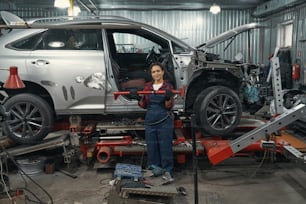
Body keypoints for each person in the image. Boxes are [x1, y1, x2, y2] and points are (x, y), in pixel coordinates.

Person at [130, 62, 174, 183]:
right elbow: (144, 105)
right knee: (152, 149)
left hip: (164, 121)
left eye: (158, 71)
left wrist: (168, 98)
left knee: (165, 149)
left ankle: (167, 174)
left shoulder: (167, 87)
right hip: (150, 121)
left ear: (163, 72)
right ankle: (154, 172)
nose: (156, 73)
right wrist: (138, 98)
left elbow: (169, 106)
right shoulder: (147, 87)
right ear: (151, 74)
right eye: (154, 72)